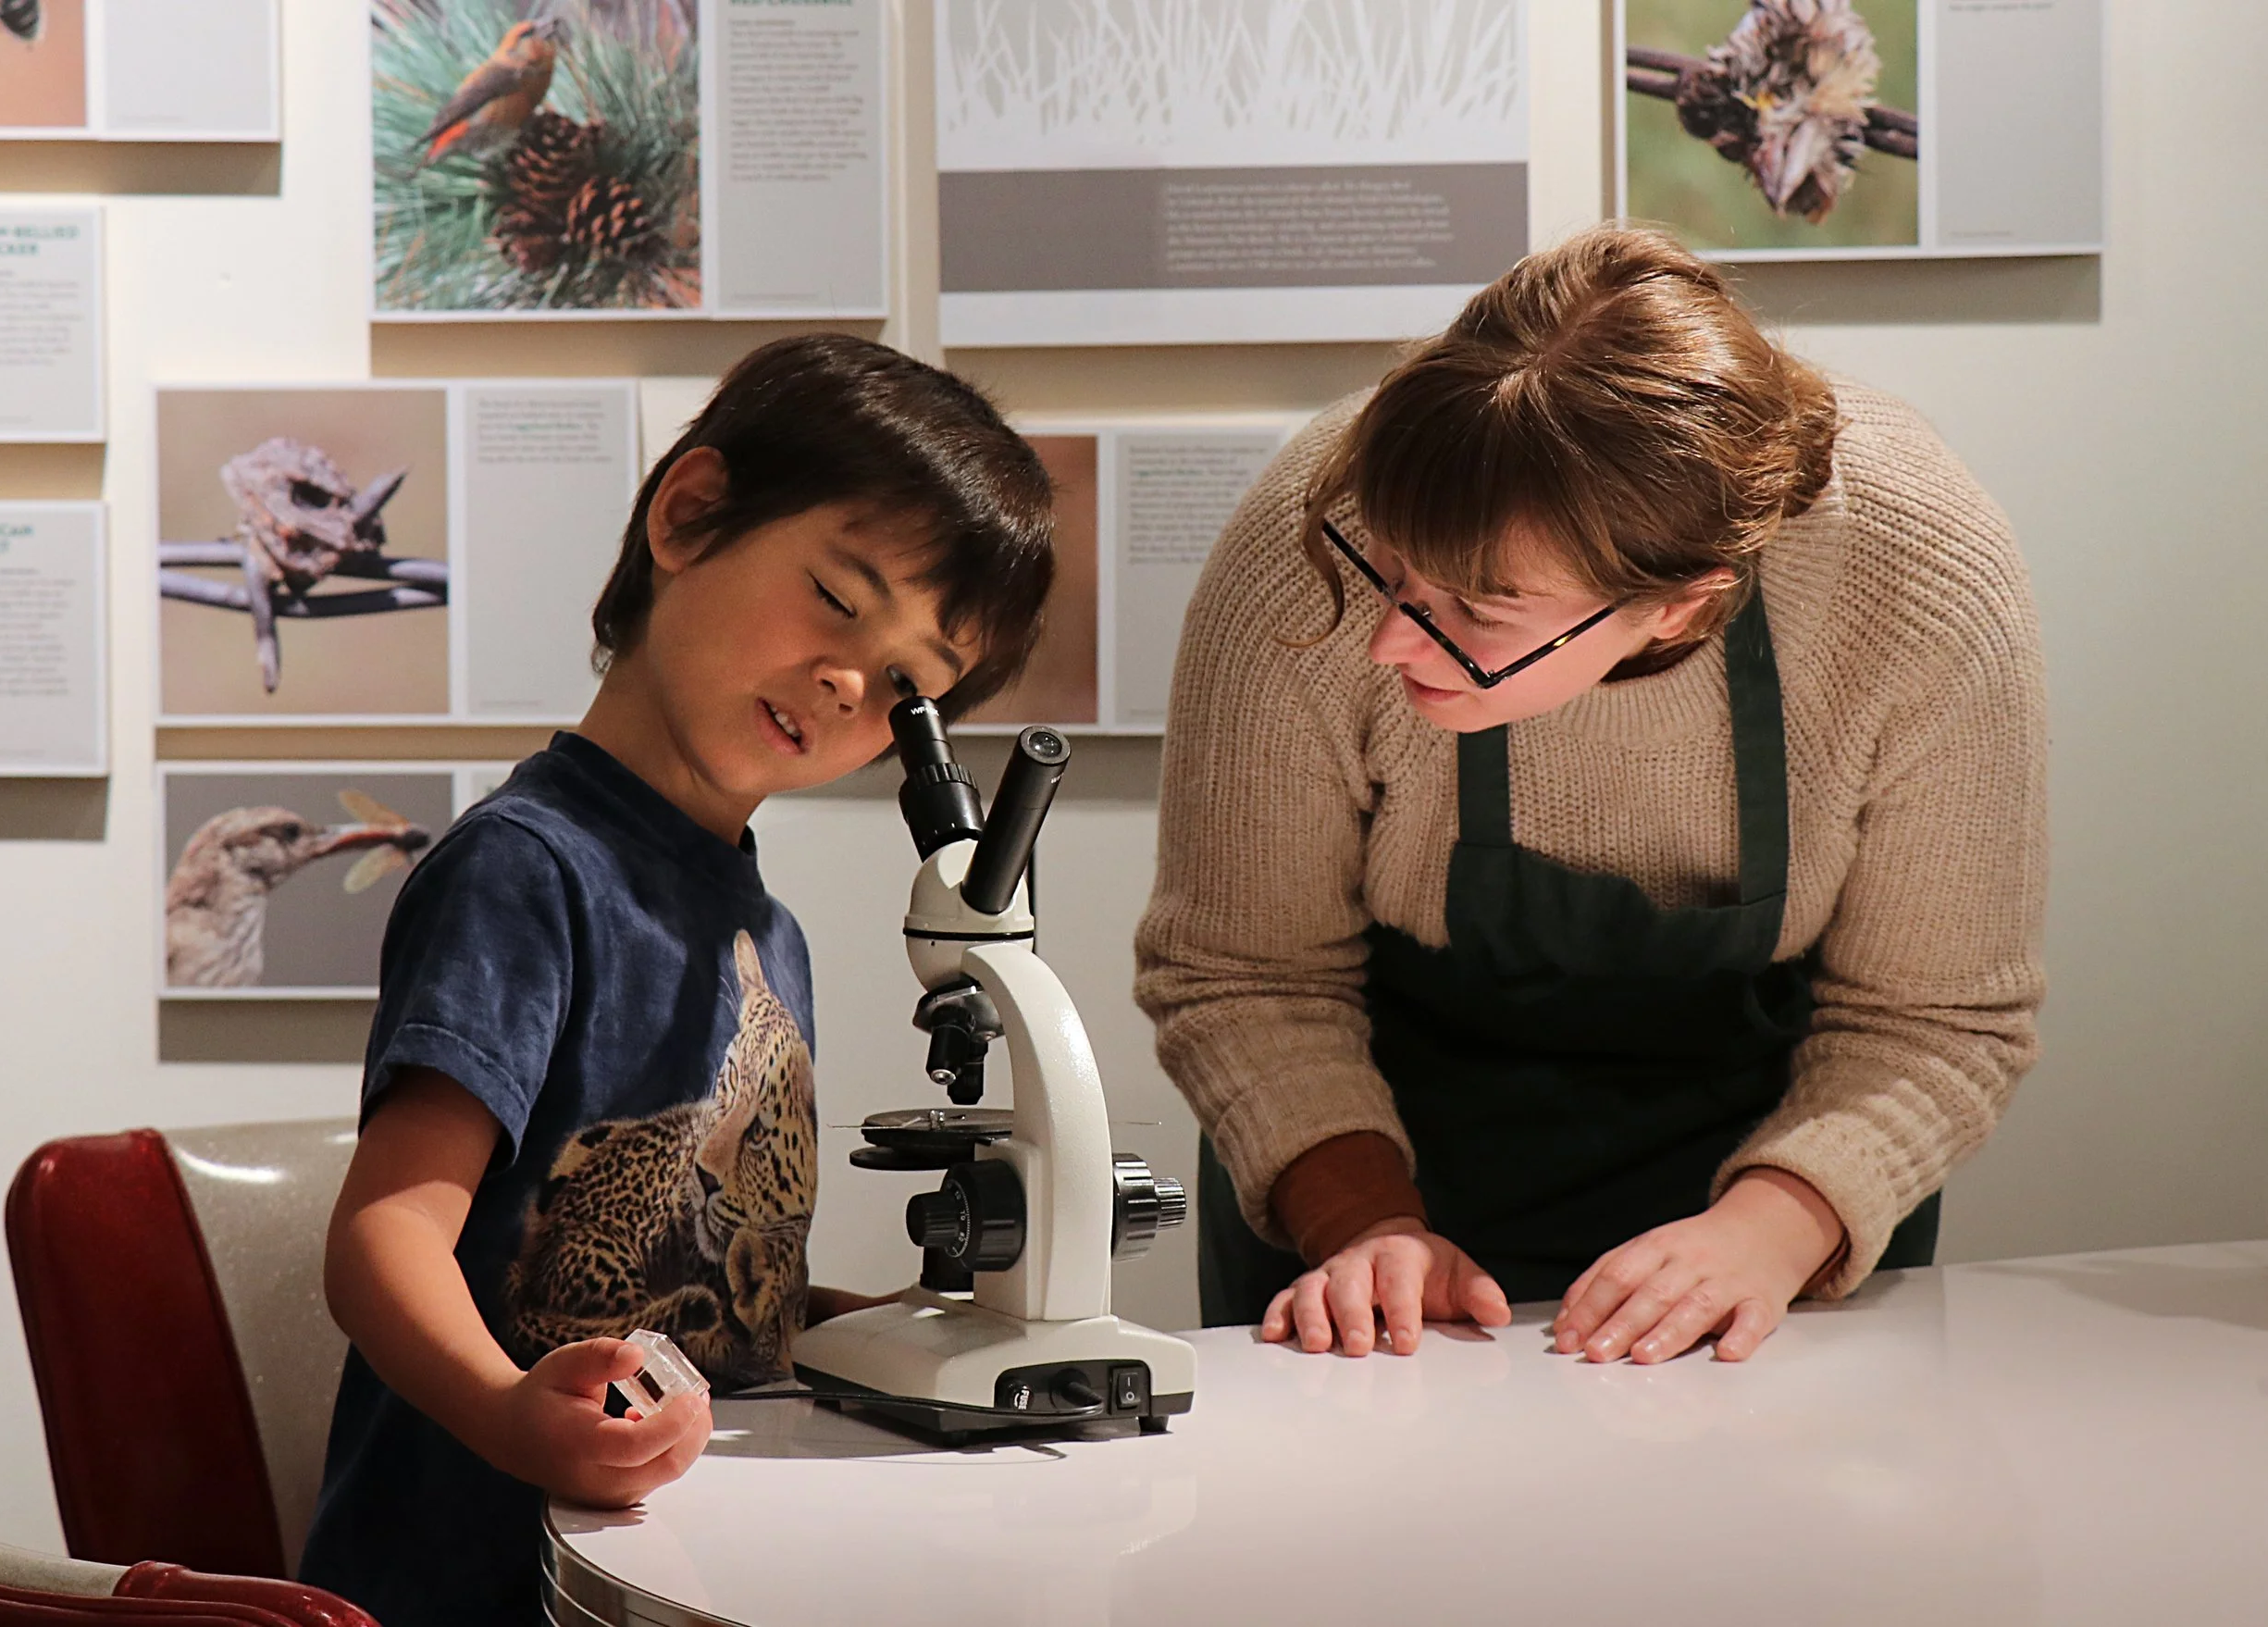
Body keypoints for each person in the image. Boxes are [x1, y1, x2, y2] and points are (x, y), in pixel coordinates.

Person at [1137, 226, 2046, 1367]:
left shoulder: (1916, 575)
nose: (1384, 641)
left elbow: (1936, 1018)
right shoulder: (1314, 533)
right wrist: (1361, 1224)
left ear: (1677, 605)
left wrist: (1772, 1231)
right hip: (1379, 1166)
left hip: (1783, 1168)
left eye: (1477, 609)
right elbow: (1244, 970)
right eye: (1394, 571)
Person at [299, 334, 1055, 1626]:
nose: (847, 680)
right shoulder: (526, 872)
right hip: (480, 1577)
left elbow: (704, 1280)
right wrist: (506, 1411)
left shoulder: (772, 933)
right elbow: (383, 1239)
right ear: (690, 514)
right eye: (834, 595)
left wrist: (890, 1335)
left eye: (907, 687)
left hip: (672, 1574)